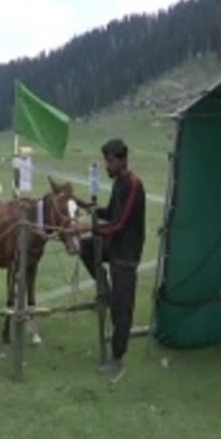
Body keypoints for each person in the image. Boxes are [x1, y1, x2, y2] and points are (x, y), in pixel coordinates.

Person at [75, 139, 146, 381]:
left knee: (122, 308)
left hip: (125, 254)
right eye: (106, 160)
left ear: (122, 159)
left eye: (110, 160)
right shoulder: (119, 183)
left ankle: (117, 360)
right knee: (86, 248)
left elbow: (118, 224)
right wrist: (90, 208)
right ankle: (102, 284)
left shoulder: (133, 185)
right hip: (114, 246)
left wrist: (89, 225)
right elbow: (110, 213)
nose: (108, 164)